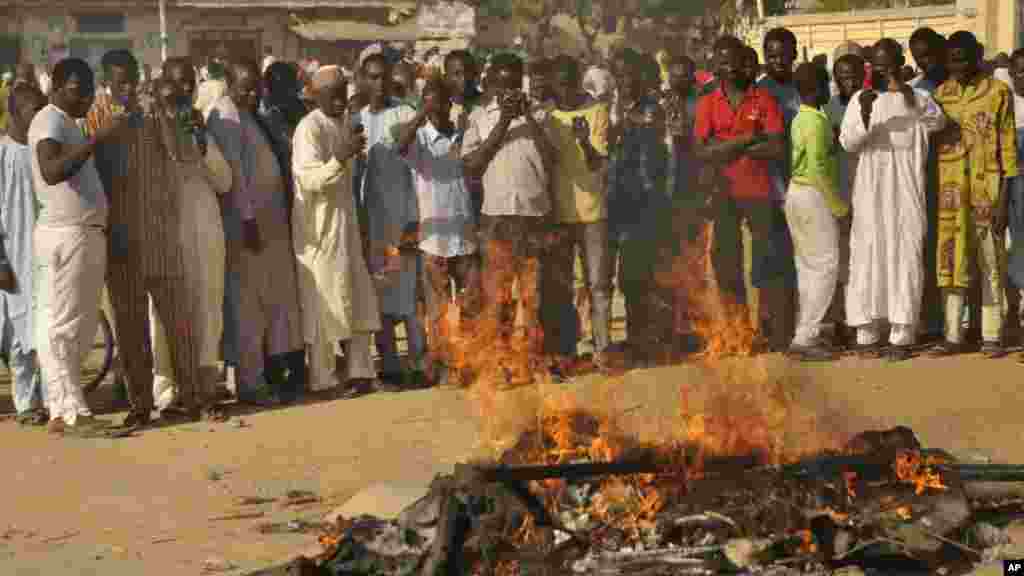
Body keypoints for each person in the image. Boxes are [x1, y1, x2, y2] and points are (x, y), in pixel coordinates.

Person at [30, 58, 126, 434]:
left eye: (88, 87)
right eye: (76, 87)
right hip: (66, 233)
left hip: (80, 233)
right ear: (55, 86)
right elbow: (52, 171)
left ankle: (62, 409)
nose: (86, 95)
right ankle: (71, 413)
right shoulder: (50, 119)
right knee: (63, 326)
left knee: (77, 325)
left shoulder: (67, 121)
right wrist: (96, 140)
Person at [839, 38, 946, 361]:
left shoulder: (920, 97)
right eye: (878, 64)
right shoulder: (861, 98)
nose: (884, 70)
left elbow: (937, 122)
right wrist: (868, 114)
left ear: (900, 62)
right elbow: (848, 142)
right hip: (871, 193)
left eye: (889, 64)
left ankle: (902, 334)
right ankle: (867, 331)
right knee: (869, 256)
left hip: (906, 191)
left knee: (905, 255)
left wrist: (908, 93)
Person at [208, 60, 305, 405]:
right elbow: (234, 175)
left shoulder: (246, 113)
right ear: (228, 84)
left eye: (254, 89)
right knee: (246, 307)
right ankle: (250, 384)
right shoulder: (225, 116)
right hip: (248, 228)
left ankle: (260, 377)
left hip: (268, 226)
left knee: (265, 304)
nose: (250, 94)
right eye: (243, 88)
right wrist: (247, 221)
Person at [460, 52, 557, 383]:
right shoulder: (479, 117)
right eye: (502, 85)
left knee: (533, 295)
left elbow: (552, 158)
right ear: (491, 85)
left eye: (514, 84)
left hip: (533, 214)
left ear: (522, 81)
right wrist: (503, 121)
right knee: (498, 296)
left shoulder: (542, 114)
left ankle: (529, 362)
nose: (509, 91)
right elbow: (472, 166)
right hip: (497, 216)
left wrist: (528, 118)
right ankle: (500, 364)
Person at [694, 37, 788, 350]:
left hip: (759, 192)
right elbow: (701, 151)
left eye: (733, 60)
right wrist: (747, 140)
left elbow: (775, 147)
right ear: (715, 66)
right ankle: (737, 331)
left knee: (765, 262)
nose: (729, 67)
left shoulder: (764, 100)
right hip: (723, 192)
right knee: (727, 263)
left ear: (743, 62)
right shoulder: (707, 103)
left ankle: (770, 331)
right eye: (722, 61)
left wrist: (724, 147)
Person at [291, 66, 380, 397]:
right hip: (319, 230)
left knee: (354, 296)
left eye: (344, 93)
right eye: (333, 95)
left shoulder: (344, 121)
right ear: (316, 97)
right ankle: (323, 378)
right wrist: (339, 158)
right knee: (324, 303)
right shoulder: (308, 129)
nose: (341, 101)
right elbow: (309, 179)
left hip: (346, 224)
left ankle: (360, 372)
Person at [930, 31, 1017, 358]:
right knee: (951, 259)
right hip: (950, 193)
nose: (958, 65)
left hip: (987, 193)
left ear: (978, 54)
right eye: (953, 60)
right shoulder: (940, 95)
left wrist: (1004, 200)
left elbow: (1007, 150)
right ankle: (953, 335)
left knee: (990, 262)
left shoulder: (999, 93)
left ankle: (992, 335)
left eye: (964, 58)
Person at [396, 78, 480, 386]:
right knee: (439, 311)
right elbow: (399, 146)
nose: (436, 109)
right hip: (434, 241)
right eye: (429, 103)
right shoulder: (419, 141)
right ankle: (444, 368)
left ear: (449, 103)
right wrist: (420, 114)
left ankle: (470, 363)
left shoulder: (464, 132)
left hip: (465, 233)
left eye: (440, 102)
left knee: (471, 306)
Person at [357, 52, 427, 391]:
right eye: (372, 77)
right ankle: (389, 365)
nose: (379, 83)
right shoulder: (355, 120)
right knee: (380, 296)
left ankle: (418, 363)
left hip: (403, 223)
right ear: (362, 80)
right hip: (372, 226)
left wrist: (414, 220)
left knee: (409, 298)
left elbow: (419, 174)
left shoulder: (405, 114)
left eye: (384, 77)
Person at [607, 50, 669, 366]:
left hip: (646, 202)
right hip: (615, 202)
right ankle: (635, 339)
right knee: (627, 277)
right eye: (619, 74)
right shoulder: (607, 108)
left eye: (629, 74)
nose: (625, 80)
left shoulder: (652, 110)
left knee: (648, 273)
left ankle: (651, 340)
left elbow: (660, 152)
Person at [786, 63, 848, 361]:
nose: (830, 90)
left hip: (796, 192)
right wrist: (838, 207)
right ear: (816, 89)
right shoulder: (816, 122)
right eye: (827, 85)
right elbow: (819, 168)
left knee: (808, 266)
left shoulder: (801, 118)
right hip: (813, 195)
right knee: (825, 265)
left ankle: (806, 332)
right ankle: (806, 336)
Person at [1, 84, 46, 425]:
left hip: (43, 250)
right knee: (16, 332)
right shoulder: (4, 154)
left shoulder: (42, 148)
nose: (39, 116)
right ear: (14, 114)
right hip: (11, 254)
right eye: (33, 110)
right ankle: (26, 402)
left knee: (41, 328)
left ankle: (41, 401)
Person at [907, 27, 949, 343]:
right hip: (925, 179)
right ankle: (931, 321)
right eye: (919, 56)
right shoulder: (916, 90)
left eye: (929, 54)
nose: (925, 62)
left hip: (960, 176)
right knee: (927, 249)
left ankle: (968, 324)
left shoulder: (957, 83)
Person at [824, 52, 866, 346]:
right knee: (841, 260)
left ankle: (864, 318)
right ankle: (841, 321)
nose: (846, 80)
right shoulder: (827, 108)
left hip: (866, 191)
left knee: (864, 258)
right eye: (841, 75)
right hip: (839, 193)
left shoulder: (870, 102)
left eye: (851, 74)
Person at [1005, 49, 1024, 362]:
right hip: (1010, 191)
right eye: (1017, 72)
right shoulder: (1006, 105)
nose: (1022, 78)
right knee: (1013, 253)